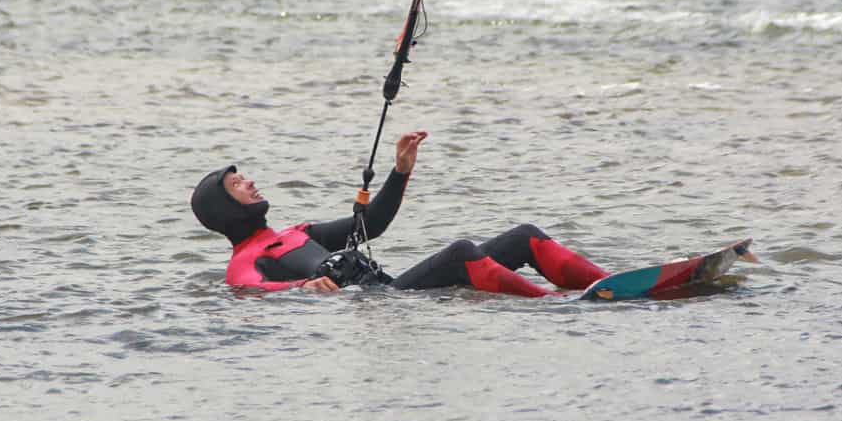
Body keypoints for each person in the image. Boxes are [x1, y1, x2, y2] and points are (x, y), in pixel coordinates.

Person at [190, 131, 612, 296]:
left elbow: (370, 225)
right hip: (390, 298)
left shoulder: (299, 231)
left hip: (394, 288)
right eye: (236, 184)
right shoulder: (243, 262)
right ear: (226, 210)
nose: (249, 182)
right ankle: (557, 306)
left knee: (524, 235)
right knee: (462, 252)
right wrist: (304, 286)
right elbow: (253, 289)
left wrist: (400, 172)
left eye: (244, 177)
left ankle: (607, 286)